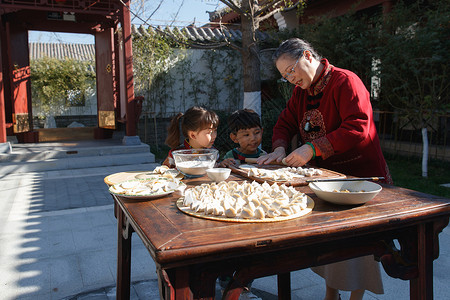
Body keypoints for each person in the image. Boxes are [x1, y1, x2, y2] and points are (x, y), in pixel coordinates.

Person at [257, 38, 392, 300]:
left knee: (359, 248)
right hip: (326, 180)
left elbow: (358, 127)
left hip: (359, 179)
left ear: (308, 56)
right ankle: (331, 294)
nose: (290, 79)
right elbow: (284, 123)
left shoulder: (346, 81)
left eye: (291, 70)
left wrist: (312, 149)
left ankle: (355, 297)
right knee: (329, 242)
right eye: (285, 76)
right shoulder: (300, 93)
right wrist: (279, 148)